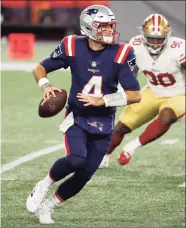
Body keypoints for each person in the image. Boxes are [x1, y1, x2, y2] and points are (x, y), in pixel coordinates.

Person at [26, 5, 141, 225]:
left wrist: (104, 100)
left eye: (110, 26)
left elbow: (135, 95)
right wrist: (46, 85)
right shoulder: (71, 45)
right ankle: (45, 184)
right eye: (104, 26)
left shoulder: (122, 51)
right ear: (89, 28)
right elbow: (39, 68)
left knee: (85, 174)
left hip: (105, 121)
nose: (109, 31)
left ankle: (48, 207)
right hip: (77, 116)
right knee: (76, 159)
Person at [100, 13, 185, 168]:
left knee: (167, 115)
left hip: (179, 93)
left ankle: (132, 147)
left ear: (167, 36)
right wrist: (122, 90)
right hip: (153, 90)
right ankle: (104, 155)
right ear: (143, 35)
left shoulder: (179, 48)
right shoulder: (136, 45)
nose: (155, 43)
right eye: (151, 38)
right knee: (122, 126)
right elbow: (131, 72)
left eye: (159, 39)